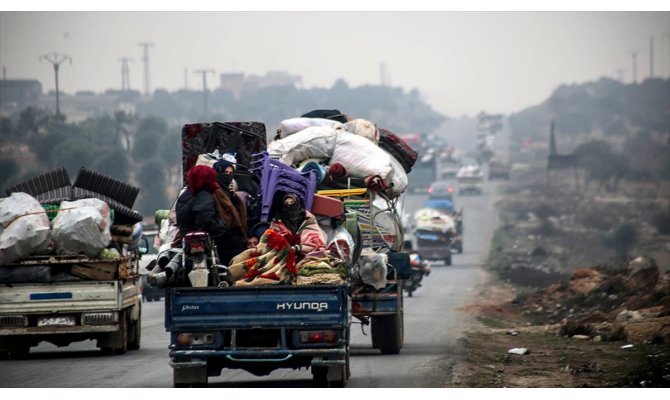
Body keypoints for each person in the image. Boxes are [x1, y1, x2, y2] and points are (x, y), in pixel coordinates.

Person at [175, 164, 246, 266]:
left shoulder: (184, 195)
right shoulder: (204, 195)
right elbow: (206, 222)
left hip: (186, 239)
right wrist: (222, 225)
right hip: (206, 240)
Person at [269, 192, 327, 258]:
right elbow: (272, 236)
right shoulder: (279, 219)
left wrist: (298, 248)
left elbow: (315, 239)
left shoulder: (307, 218)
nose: (290, 205)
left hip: (304, 251)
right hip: (283, 252)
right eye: (286, 203)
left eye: (292, 202)